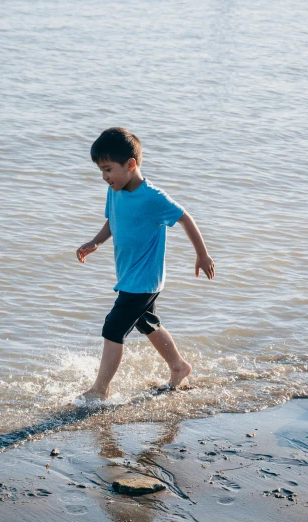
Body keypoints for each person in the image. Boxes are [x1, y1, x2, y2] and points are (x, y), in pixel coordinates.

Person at [76, 127, 215, 401]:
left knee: (113, 327)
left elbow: (185, 217)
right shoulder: (115, 190)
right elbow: (113, 220)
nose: (104, 177)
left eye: (108, 169)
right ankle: (179, 367)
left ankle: (100, 389)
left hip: (144, 279)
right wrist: (96, 242)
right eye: (101, 171)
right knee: (146, 322)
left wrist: (202, 254)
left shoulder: (153, 197)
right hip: (131, 274)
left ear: (130, 165)